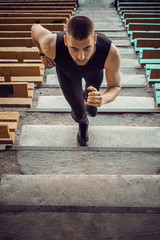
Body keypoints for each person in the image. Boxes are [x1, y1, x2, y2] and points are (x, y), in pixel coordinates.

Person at [31, 16, 121, 146]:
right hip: (68, 75)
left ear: (94, 40)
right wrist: (42, 54)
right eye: (74, 48)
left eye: (87, 48)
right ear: (66, 41)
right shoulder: (50, 44)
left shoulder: (110, 52)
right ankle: (83, 124)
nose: (81, 56)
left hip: (94, 71)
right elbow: (34, 28)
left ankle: (90, 104)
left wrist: (104, 98)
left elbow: (115, 86)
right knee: (78, 110)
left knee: (92, 97)